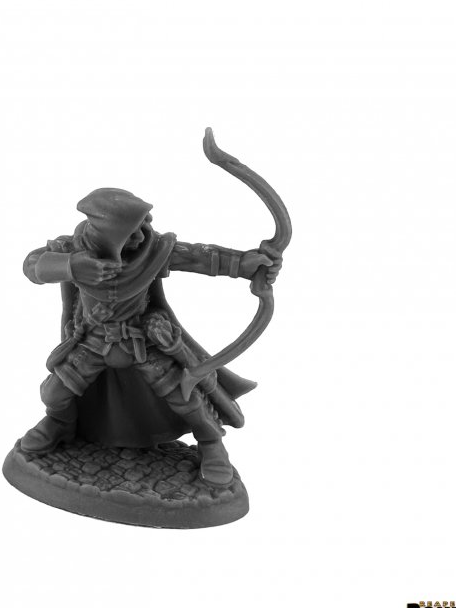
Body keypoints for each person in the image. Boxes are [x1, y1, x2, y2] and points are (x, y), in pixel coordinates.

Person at [19, 188, 281, 486]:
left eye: (143, 227)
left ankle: (211, 442)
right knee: (54, 394)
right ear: (108, 234)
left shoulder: (153, 251)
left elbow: (198, 258)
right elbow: (32, 265)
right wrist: (71, 266)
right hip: (93, 341)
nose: (141, 238)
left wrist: (245, 264)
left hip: (141, 340)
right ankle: (60, 424)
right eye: (130, 233)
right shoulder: (72, 250)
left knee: (185, 394)